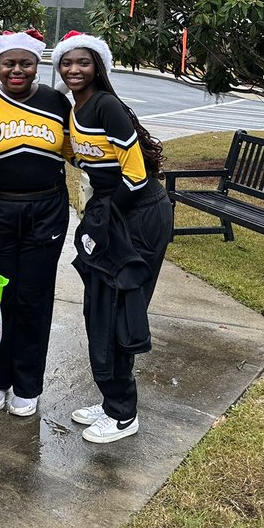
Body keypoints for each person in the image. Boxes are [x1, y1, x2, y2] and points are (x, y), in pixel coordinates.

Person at [54, 31, 171, 444]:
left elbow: (136, 174)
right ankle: (111, 399)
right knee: (97, 308)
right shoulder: (77, 108)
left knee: (118, 308)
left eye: (82, 62)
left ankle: (123, 414)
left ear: (97, 66)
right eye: (66, 63)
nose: (73, 69)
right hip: (112, 214)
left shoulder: (106, 105)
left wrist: (102, 219)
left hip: (137, 218)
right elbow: (80, 156)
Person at [0, 30, 72, 418]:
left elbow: (74, 149)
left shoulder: (56, 102)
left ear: (37, 65)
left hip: (46, 211)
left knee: (34, 297)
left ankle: (28, 385)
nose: (17, 70)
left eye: (25, 63)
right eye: (9, 63)